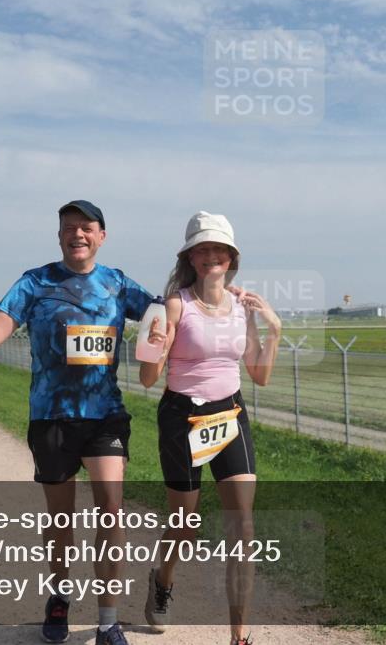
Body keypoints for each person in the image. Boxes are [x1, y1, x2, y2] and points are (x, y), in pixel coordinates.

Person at [0, 200, 155, 645]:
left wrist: (205, 301)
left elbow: (165, 314)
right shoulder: (35, 282)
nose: (77, 234)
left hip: (104, 416)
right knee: (61, 520)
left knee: (112, 513)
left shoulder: (118, 284)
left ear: (102, 235)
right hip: (51, 419)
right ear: (59, 236)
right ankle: (60, 596)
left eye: (86, 227)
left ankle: (107, 621)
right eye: (68, 228)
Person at [139, 211, 281, 645]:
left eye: (219, 249)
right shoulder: (174, 305)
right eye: (203, 248)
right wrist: (155, 344)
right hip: (183, 416)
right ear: (191, 257)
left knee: (243, 526)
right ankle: (162, 581)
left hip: (229, 415)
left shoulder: (244, 305)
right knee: (184, 522)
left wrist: (273, 329)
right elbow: (148, 378)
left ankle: (239, 636)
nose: (211, 256)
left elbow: (260, 376)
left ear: (231, 257)